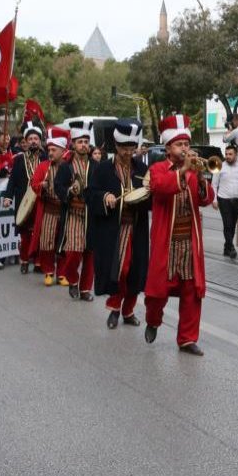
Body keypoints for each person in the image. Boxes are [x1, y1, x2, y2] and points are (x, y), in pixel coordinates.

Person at [144, 114, 214, 355]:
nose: (185, 149)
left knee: (191, 291)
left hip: (189, 240)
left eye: (187, 144)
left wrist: (203, 179)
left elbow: (206, 200)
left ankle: (187, 338)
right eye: (179, 144)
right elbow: (160, 188)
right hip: (167, 240)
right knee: (157, 292)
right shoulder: (157, 169)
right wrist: (182, 171)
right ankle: (153, 320)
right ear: (168, 147)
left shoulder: (195, 172)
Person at [86, 119, 150, 328]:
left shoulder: (143, 169)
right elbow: (91, 193)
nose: (127, 152)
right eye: (123, 147)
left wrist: (147, 195)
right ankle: (114, 308)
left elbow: (152, 196)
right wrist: (105, 197)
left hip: (136, 228)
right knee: (118, 270)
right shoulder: (103, 169)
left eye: (131, 147)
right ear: (116, 146)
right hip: (113, 230)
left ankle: (129, 310)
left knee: (135, 271)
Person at [55, 122, 99, 300]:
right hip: (74, 213)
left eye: (86, 142)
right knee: (73, 251)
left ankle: (85, 289)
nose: (83, 145)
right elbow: (58, 187)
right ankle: (73, 279)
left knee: (90, 253)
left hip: (92, 215)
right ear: (73, 144)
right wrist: (69, 191)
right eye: (80, 142)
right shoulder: (66, 166)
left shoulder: (96, 166)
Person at [28, 127, 70, 285]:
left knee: (64, 242)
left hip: (65, 211)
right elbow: (34, 184)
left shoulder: (69, 166)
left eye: (54, 149)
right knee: (47, 242)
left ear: (62, 150)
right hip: (48, 211)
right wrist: (42, 185)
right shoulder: (43, 166)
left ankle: (62, 273)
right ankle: (48, 271)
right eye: (49, 149)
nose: (50, 152)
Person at [8, 122, 48, 273]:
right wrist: (8, 197)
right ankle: (24, 260)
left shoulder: (46, 158)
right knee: (25, 234)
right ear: (25, 141)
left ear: (40, 141)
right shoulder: (19, 159)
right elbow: (12, 180)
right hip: (24, 202)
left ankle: (38, 262)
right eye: (30, 138)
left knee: (41, 232)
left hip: (41, 201)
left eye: (36, 138)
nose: (33, 141)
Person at [212, 145, 238, 260]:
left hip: (236, 200)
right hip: (223, 200)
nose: (227, 156)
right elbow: (214, 185)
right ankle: (231, 248)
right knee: (227, 224)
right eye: (226, 154)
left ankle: (226, 247)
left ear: (236, 155)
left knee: (232, 226)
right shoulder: (219, 166)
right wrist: (214, 199)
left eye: (230, 154)